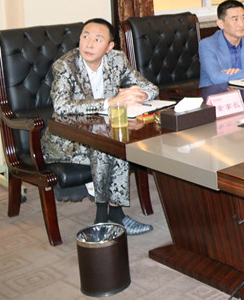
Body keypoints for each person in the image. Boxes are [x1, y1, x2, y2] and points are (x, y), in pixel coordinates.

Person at [43, 18, 158, 234]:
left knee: (115, 146)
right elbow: (61, 106)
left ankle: (113, 217)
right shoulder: (65, 65)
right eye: (85, 36)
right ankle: (104, 218)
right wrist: (109, 103)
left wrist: (141, 94)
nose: (89, 44)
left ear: (109, 46)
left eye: (97, 39)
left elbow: (150, 87)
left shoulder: (117, 60)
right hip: (66, 139)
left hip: (102, 132)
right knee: (106, 150)